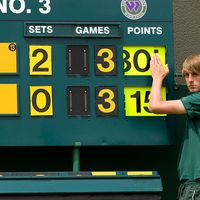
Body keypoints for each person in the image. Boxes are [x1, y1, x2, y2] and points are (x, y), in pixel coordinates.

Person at [149, 53, 200, 200]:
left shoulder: (197, 100)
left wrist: (157, 78)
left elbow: (155, 106)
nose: (190, 80)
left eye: (195, 75)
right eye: (186, 75)